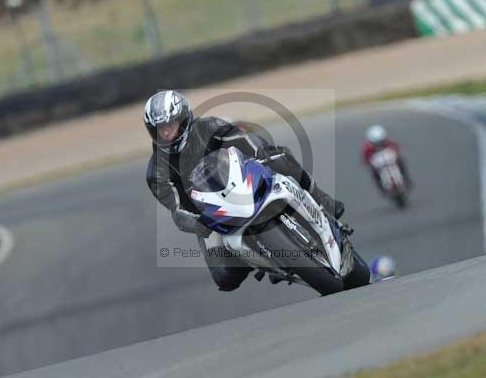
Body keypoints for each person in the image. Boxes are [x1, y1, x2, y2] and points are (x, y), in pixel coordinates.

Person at [145, 90, 345, 291]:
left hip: (243, 180)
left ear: (184, 118)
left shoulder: (209, 126)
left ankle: (322, 200)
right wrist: (199, 223)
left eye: (170, 126)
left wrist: (262, 154)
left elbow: (243, 140)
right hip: (210, 214)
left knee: (281, 158)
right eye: (159, 130)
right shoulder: (156, 171)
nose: (165, 133)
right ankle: (260, 260)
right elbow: (176, 207)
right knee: (225, 278)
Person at [361, 125, 411, 191]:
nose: (378, 144)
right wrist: (369, 163)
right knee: (374, 173)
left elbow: (396, 147)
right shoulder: (367, 148)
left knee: (400, 161)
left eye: (380, 141)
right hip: (379, 164)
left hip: (389, 159)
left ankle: (406, 178)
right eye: (376, 143)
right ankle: (381, 187)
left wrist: (395, 153)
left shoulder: (387, 142)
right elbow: (365, 158)